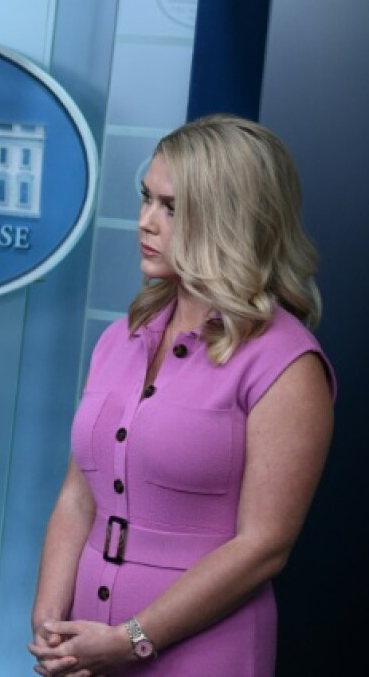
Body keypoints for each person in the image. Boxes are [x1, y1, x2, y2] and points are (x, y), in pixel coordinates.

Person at [27, 114, 335, 676]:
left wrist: (130, 639)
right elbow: (79, 496)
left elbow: (263, 546)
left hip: (203, 656)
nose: (145, 222)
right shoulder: (119, 337)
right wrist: (50, 621)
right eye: (146, 199)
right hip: (83, 654)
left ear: (230, 220)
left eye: (171, 208)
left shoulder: (285, 362)